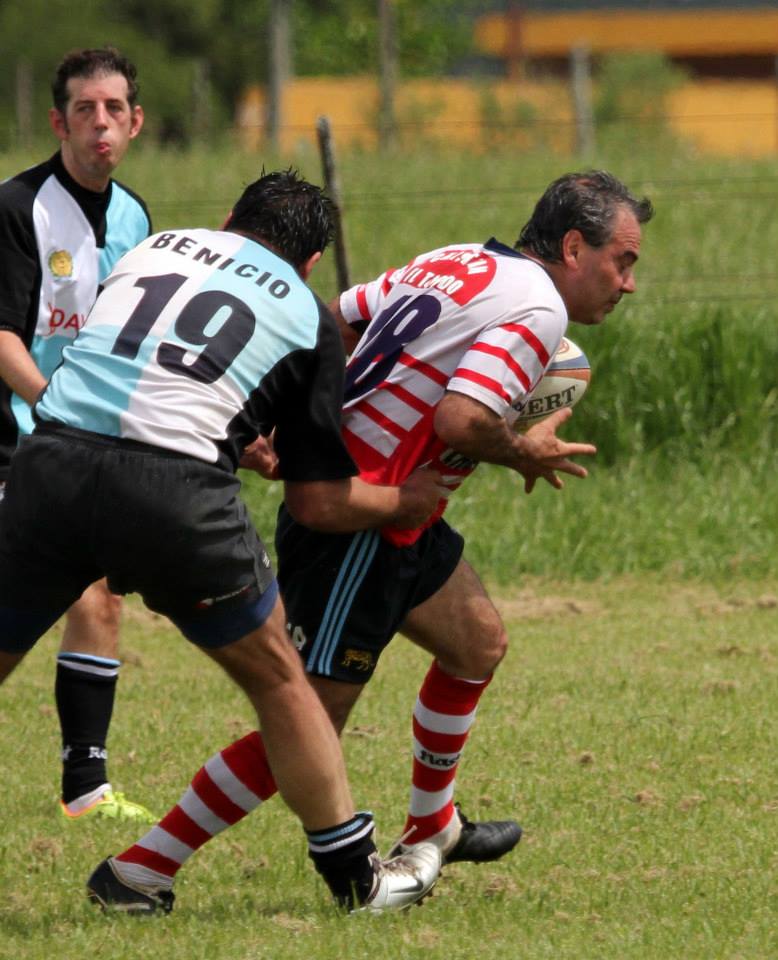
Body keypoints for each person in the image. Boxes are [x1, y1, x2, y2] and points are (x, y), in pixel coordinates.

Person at [102, 170, 653, 904]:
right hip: (358, 521)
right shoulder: (539, 306)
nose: (629, 283)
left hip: (401, 513)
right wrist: (525, 450)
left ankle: (433, 826)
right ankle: (141, 869)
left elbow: (336, 317)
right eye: (623, 262)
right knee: (308, 721)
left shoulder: (461, 260)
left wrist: (307, 419)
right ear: (576, 248)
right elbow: (463, 420)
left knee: (477, 643)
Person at [0, 169, 448, 914]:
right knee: (279, 679)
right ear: (311, 262)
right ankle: (357, 879)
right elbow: (318, 501)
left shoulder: (152, 248)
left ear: (230, 216)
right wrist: (409, 498)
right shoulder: (306, 312)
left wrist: (233, 434)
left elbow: (132, 373)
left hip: (51, 463)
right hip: (174, 497)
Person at [0, 47, 154, 822]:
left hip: (85, 446)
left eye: (114, 109)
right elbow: (2, 337)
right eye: (85, 110)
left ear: (135, 122)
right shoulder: (16, 207)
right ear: (59, 123)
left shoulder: (136, 218)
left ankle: (86, 790)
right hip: (15, 439)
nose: (101, 123)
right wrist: (54, 406)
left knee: (100, 594)